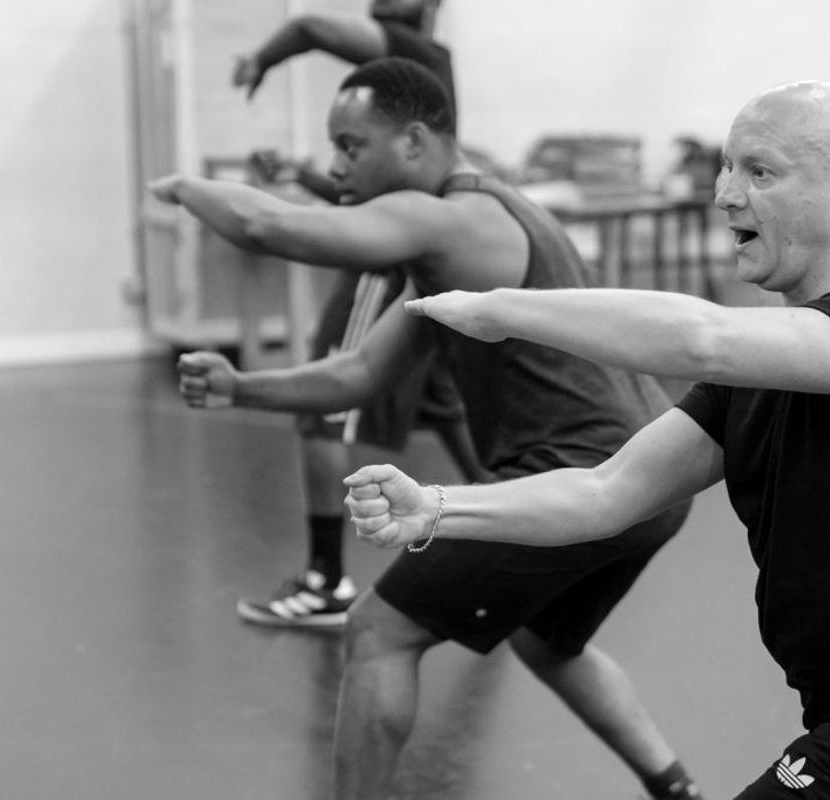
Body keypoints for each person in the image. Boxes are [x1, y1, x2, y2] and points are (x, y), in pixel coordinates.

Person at [346, 80, 830, 799]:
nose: (723, 194)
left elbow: (700, 338)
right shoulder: (766, 366)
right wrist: (434, 507)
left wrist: (503, 307)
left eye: (759, 171)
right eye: (725, 166)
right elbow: (604, 493)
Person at [152, 58, 704, 800]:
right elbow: (357, 375)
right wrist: (240, 387)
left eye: (352, 146)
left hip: (584, 472)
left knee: (379, 631)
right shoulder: (459, 240)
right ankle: (675, 788)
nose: (336, 165)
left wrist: (185, 187)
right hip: (653, 478)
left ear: (413, 142)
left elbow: (265, 224)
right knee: (547, 643)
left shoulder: (455, 218)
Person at [230, 0, 487, 627]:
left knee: (320, 409)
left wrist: (259, 59)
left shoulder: (417, 56)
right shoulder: (420, 80)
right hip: (413, 260)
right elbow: (370, 192)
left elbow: (313, 25)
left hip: (386, 267)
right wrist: (306, 177)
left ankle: (326, 579)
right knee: (442, 405)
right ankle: (525, 532)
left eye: (350, 145)